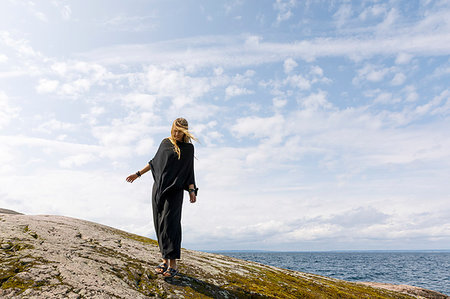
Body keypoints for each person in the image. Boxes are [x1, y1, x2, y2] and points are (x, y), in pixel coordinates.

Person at [126, 117, 198, 278]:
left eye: (180, 131)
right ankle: (164, 260)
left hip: (175, 191)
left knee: (170, 224)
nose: (176, 133)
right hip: (158, 189)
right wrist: (138, 174)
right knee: (159, 223)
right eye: (175, 129)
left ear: (185, 131)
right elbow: (154, 162)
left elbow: (189, 171)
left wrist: (192, 190)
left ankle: (173, 264)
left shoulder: (188, 149)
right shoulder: (165, 143)